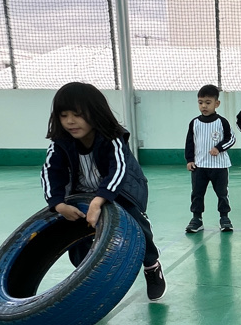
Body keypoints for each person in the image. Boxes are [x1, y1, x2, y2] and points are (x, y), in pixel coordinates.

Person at [42, 82, 166, 301]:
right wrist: (58, 204)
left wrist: (99, 201)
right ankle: (88, 278)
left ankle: (151, 265)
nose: (70, 121)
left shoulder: (112, 138)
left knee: (136, 223)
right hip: (81, 192)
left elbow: (118, 169)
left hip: (119, 189)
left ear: (95, 113)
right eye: (64, 115)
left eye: (78, 115)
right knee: (76, 230)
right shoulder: (59, 144)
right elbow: (50, 173)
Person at [185, 84, 237, 233]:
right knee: (197, 194)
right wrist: (190, 160)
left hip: (219, 167)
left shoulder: (222, 122)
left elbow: (231, 139)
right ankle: (197, 219)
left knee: (222, 194)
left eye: (208, 102)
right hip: (199, 166)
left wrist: (219, 148)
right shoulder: (194, 123)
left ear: (216, 103)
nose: (204, 106)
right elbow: (190, 143)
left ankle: (224, 218)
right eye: (200, 102)